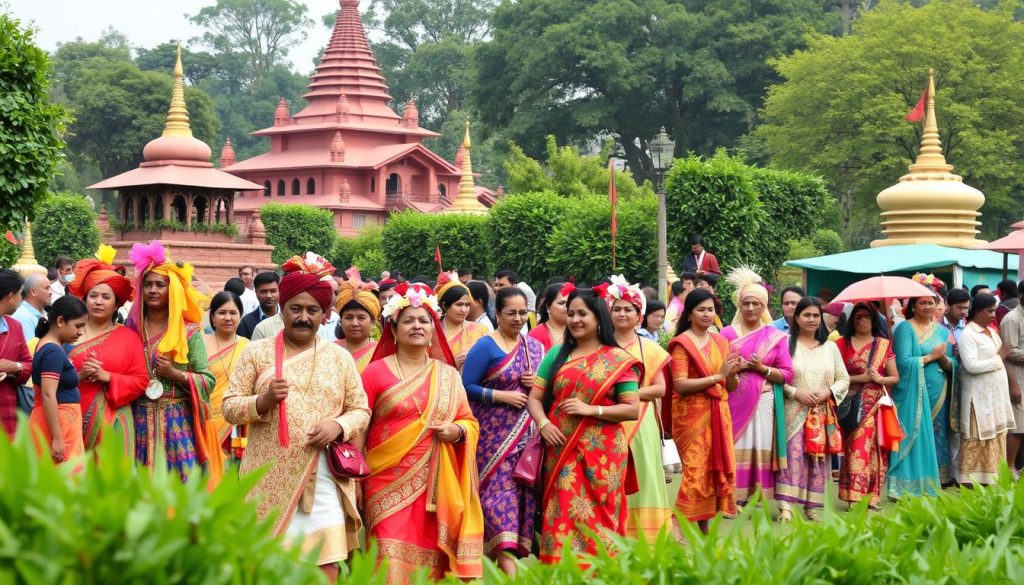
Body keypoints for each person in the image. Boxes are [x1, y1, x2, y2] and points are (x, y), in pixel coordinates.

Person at [223, 254, 369, 579]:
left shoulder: (339, 358)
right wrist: (262, 402)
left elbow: (361, 409)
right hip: (267, 473)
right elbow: (230, 406)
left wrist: (338, 425)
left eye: (312, 310)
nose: (304, 317)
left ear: (325, 315)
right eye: (296, 309)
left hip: (324, 477)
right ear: (282, 308)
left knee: (326, 563)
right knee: (269, 563)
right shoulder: (256, 352)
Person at [358, 283, 483, 583]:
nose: (416, 326)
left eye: (424, 320)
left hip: (436, 486)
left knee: (433, 564)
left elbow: (469, 422)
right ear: (394, 328)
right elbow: (358, 429)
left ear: (433, 329)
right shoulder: (374, 372)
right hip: (382, 483)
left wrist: (456, 430)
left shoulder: (448, 375)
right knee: (386, 556)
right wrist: (355, 482)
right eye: (409, 320)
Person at [527, 288, 640, 562]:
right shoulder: (556, 355)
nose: (575, 319)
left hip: (603, 456)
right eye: (571, 314)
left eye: (582, 314)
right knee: (561, 513)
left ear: (598, 318)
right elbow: (534, 398)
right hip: (560, 448)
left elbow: (632, 408)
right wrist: (543, 425)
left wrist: (591, 409)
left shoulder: (617, 359)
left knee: (600, 520)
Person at [461, 287, 543, 574]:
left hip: (524, 443)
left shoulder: (533, 348)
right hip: (491, 442)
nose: (519, 318)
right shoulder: (486, 346)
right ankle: (509, 573)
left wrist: (537, 385)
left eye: (524, 313)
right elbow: (465, 386)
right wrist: (499, 396)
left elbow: (545, 395)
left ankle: (501, 568)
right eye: (512, 313)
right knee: (496, 501)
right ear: (497, 314)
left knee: (517, 501)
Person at [126, 240, 215, 481]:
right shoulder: (131, 329)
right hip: (137, 417)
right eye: (148, 284)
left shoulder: (189, 332)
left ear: (172, 289)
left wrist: (176, 374)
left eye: (160, 285)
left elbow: (208, 380)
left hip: (178, 419)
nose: (153, 290)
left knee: (181, 486)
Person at [600, 275, 672, 539]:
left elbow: (660, 388)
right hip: (605, 421)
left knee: (644, 476)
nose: (622, 313)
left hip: (641, 423)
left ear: (638, 315)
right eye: (616, 309)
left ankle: (645, 535)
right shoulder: (599, 347)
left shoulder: (650, 348)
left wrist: (627, 395)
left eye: (628, 309)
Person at [719, 268, 793, 505]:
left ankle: (759, 494)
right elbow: (717, 368)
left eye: (756, 304)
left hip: (764, 401)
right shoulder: (726, 334)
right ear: (739, 306)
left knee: (759, 444)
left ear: (765, 308)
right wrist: (733, 369)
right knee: (734, 443)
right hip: (732, 399)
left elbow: (788, 374)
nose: (751, 308)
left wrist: (762, 369)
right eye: (746, 303)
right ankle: (733, 494)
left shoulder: (775, 336)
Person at [668, 287, 739, 531]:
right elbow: (681, 384)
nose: (707, 314)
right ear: (689, 313)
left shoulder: (720, 341)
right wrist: (718, 376)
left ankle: (704, 526)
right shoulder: (682, 344)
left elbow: (729, 384)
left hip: (720, 411)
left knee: (712, 470)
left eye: (710, 310)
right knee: (695, 469)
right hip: (691, 414)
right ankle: (676, 524)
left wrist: (732, 375)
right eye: (701, 310)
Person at [66, 248, 148, 452]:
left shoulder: (129, 337)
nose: (99, 302)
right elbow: (50, 379)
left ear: (117, 304)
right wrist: (79, 376)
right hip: (69, 419)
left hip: (114, 423)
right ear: (85, 299)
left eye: (105, 297)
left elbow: (141, 381)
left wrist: (108, 377)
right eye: (93, 295)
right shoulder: (66, 335)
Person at [775, 296, 849, 521]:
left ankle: (811, 507)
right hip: (793, 409)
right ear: (796, 317)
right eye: (806, 314)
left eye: (815, 315)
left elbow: (843, 379)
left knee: (817, 460)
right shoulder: (784, 344)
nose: (811, 319)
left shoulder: (831, 348)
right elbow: (778, 378)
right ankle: (785, 507)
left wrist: (827, 393)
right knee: (792, 456)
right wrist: (796, 393)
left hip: (821, 412)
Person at [888, 292, 955, 498]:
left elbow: (952, 363)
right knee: (914, 434)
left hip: (939, 389)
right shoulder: (905, 328)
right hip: (912, 392)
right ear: (913, 306)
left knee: (936, 435)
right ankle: (904, 485)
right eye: (922, 303)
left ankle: (933, 481)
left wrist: (943, 359)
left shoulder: (942, 332)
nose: (927, 306)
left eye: (931, 303)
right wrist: (930, 356)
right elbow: (903, 363)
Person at [835, 302, 899, 509]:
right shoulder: (841, 344)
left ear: (874, 320)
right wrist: (860, 378)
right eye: (858, 317)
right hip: (851, 403)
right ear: (852, 321)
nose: (862, 321)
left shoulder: (883, 344)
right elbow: (836, 376)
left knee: (875, 452)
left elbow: (894, 378)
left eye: (867, 317)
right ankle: (853, 496)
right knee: (855, 448)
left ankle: (871, 497)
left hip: (876, 405)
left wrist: (879, 379)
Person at [958, 293, 1015, 485]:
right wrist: (999, 358)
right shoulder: (968, 334)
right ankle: (970, 480)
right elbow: (971, 366)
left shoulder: (991, 332)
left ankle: (993, 477)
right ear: (977, 311)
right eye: (990, 311)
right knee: (978, 437)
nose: (994, 314)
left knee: (997, 436)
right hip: (978, 397)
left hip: (995, 395)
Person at [29, 295, 88, 465]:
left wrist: (80, 376)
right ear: (61, 321)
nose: (81, 332)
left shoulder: (51, 346)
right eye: (78, 326)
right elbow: (48, 394)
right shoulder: (53, 351)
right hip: (59, 422)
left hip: (61, 421)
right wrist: (57, 437)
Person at [199, 291, 249, 485]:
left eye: (233, 313)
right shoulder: (200, 344)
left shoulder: (248, 346)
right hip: (207, 421)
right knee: (208, 478)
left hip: (238, 425)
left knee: (235, 478)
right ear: (212, 316)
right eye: (222, 313)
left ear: (240, 315)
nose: (227, 318)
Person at [0, 270, 31, 435]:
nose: (21, 300)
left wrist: (15, 367)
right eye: (21, 294)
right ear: (11, 296)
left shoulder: (14, 326)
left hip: (8, 415)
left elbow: (28, 364)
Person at [437, 271, 489, 370]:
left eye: (467, 305)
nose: (464, 310)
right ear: (444, 305)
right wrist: (452, 365)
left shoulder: (481, 330)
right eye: (459, 304)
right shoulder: (433, 332)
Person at [999, 285, 1024, 476]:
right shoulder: (1012, 319)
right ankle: (1009, 467)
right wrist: (1013, 385)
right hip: (1016, 375)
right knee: (1017, 425)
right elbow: (1009, 351)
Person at [333, 283, 381, 372]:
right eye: (349, 317)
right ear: (341, 320)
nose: (354, 323)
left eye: (361, 318)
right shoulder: (330, 349)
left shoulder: (381, 352)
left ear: (373, 322)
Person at [237, 271, 280, 339]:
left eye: (273, 291)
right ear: (256, 293)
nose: (269, 296)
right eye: (264, 292)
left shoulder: (288, 318)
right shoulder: (246, 323)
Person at [530, 282, 571, 352]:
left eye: (570, 303)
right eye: (561, 303)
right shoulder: (536, 335)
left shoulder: (578, 331)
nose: (567, 307)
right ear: (548, 307)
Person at [13, 273, 51, 343]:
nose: (51, 292)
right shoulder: (24, 317)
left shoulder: (44, 313)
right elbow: (30, 350)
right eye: (47, 288)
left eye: (50, 288)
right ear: (33, 292)